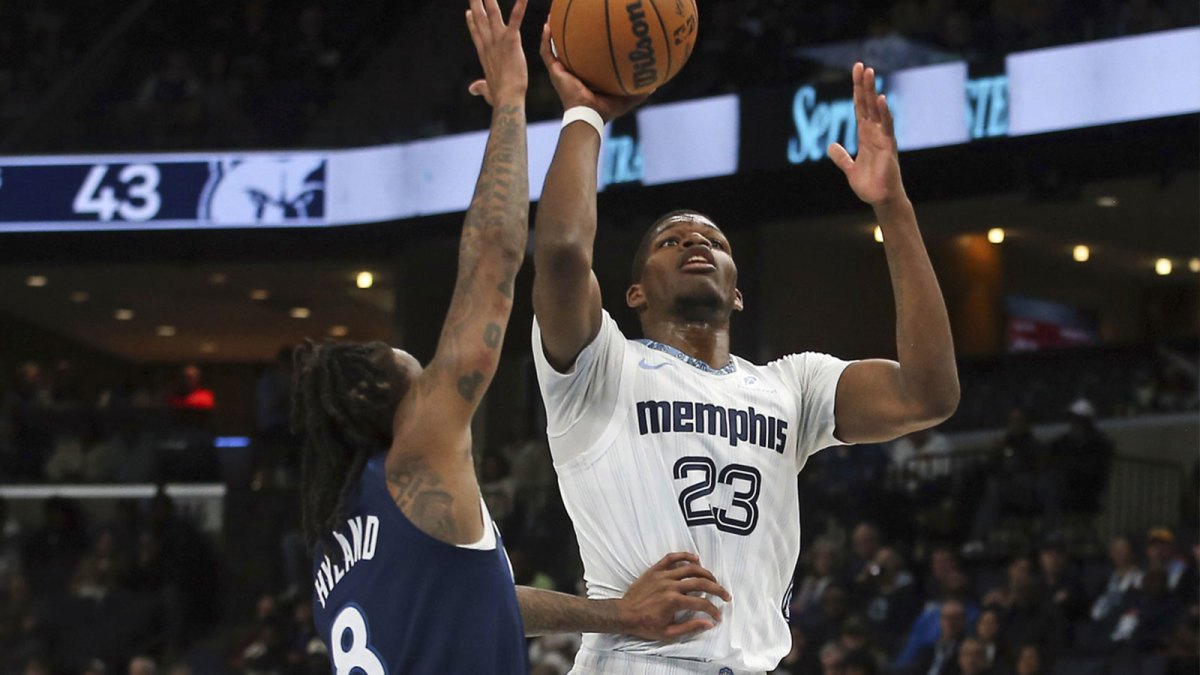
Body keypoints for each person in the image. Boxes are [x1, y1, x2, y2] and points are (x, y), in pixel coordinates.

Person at [295, 2, 727, 672]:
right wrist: (511, 101)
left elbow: (480, 594)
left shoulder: (340, 532)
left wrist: (616, 615)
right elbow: (494, 258)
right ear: (388, 402)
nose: (433, 374)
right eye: (418, 369)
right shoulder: (418, 457)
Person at [530, 27, 960, 671]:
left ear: (737, 295)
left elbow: (928, 394)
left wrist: (892, 207)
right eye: (671, 241)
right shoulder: (602, 366)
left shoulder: (793, 386)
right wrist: (586, 113)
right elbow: (562, 254)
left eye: (716, 242)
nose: (697, 242)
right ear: (635, 293)